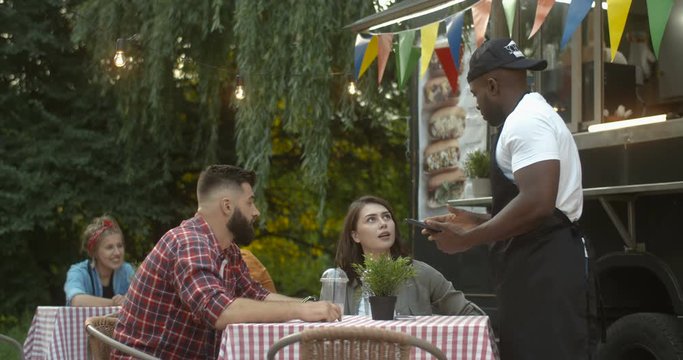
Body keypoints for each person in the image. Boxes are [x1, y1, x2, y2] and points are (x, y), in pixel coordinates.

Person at [423, 38, 597, 359]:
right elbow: (538, 207)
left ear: (491, 85)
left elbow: (538, 202)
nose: (475, 103)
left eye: (475, 93)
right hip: (540, 264)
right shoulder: (533, 114)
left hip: (545, 269)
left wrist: (470, 238)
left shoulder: (526, 122)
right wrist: (478, 220)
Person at [111, 164, 340, 359]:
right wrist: (301, 312)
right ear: (227, 206)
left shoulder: (228, 251)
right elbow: (220, 312)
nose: (256, 212)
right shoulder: (189, 242)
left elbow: (257, 295)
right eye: (250, 202)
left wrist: (308, 307)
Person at [335, 195, 484, 316]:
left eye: (387, 217)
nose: (383, 223)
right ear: (355, 236)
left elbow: (472, 315)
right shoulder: (341, 281)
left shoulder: (420, 274)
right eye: (371, 219)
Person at [64, 215, 135, 307]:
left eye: (120, 246)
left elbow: (140, 298)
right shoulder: (78, 271)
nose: (117, 252)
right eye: (109, 247)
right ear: (94, 252)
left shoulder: (126, 270)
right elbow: (76, 300)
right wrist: (114, 303)